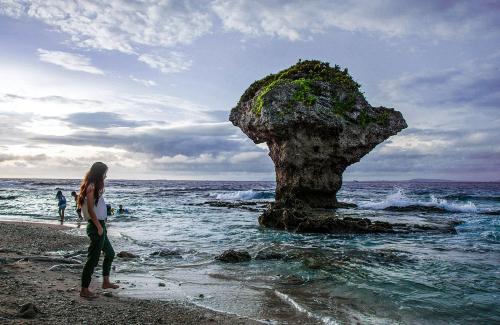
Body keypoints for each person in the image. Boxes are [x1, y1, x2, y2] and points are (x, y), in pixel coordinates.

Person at [77, 162, 119, 299]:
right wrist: (99, 226)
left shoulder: (95, 187)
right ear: (99, 173)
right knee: (93, 259)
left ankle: (106, 282)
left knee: (110, 253)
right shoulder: (91, 187)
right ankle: (84, 289)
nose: (105, 176)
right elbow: (90, 209)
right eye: (104, 173)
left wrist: (103, 224)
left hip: (100, 225)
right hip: (96, 226)